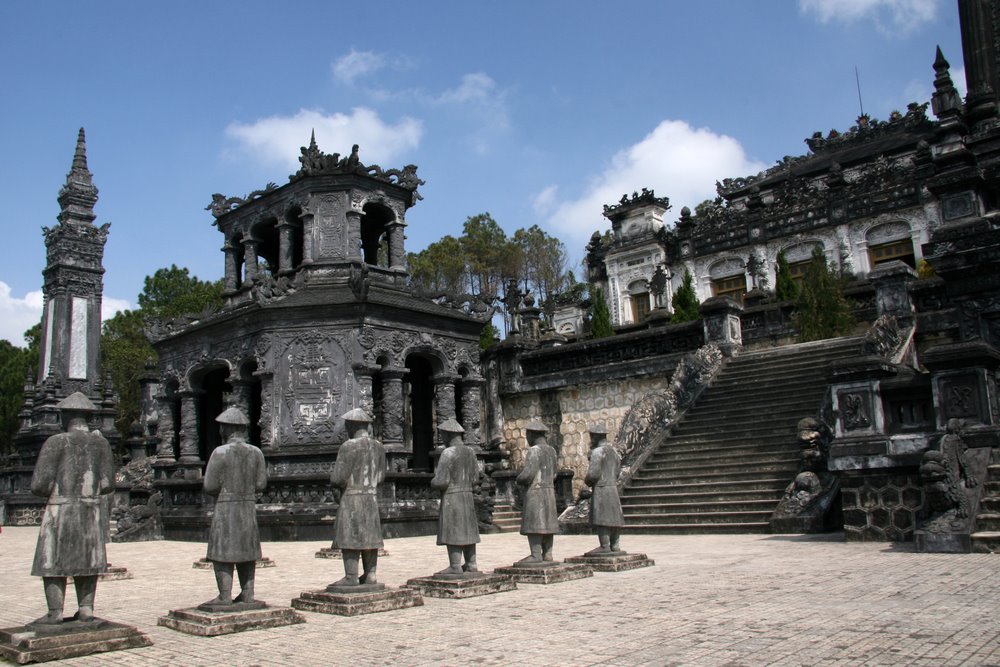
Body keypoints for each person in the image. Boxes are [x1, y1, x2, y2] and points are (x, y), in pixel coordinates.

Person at [29, 392, 115, 625]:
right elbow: (108, 484)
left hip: (60, 509)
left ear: (64, 416)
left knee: (52, 559)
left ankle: (55, 611)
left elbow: (39, 485)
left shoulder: (56, 442)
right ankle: (86, 608)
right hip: (90, 510)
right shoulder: (101, 443)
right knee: (88, 559)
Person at [201, 406, 267, 608]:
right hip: (247, 508)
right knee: (247, 550)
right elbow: (261, 484)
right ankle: (248, 593)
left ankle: (224, 595)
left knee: (222, 551)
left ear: (227, 428)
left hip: (226, 507)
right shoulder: (256, 453)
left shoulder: (220, 452)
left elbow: (210, 485)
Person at [330, 408, 385, 587]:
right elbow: (381, 477)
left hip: (352, 496)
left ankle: (351, 576)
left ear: (352, 425)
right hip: (371, 497)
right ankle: (371, 574)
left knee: (350, 535)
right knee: (370, 536)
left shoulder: (349, 446)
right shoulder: (378, 447)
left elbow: (338, 478)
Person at [430, 419, 480, 576]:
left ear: (447, 434)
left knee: (453, 529)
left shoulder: (448, 453)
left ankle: (455, 565)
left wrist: (433, 481)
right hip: (467, 496)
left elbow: (442, 481)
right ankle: (471, 563)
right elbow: (475, 479)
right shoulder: (470, 452)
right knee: (468, 529)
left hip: (452, 497)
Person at [516, 421, 559, 564]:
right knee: (548, 522)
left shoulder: (534, 451)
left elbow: (528, 474)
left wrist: (519, 478)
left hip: (536, 491)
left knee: (534, 523)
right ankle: (548, 554)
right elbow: (555, 474)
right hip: (549, 491)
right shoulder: (552, 451)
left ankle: (535, 554)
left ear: (531, 434)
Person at [584, 426, 625, 555]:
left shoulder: (597, 452)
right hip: (612, 487)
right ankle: (615, 544)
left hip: (601, 488)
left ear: (595, 437)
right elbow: (618, 472)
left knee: (602, 517)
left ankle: (605, 545)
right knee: (614, 516)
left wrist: (587, 481)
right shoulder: (614, 452)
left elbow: (593, 474)